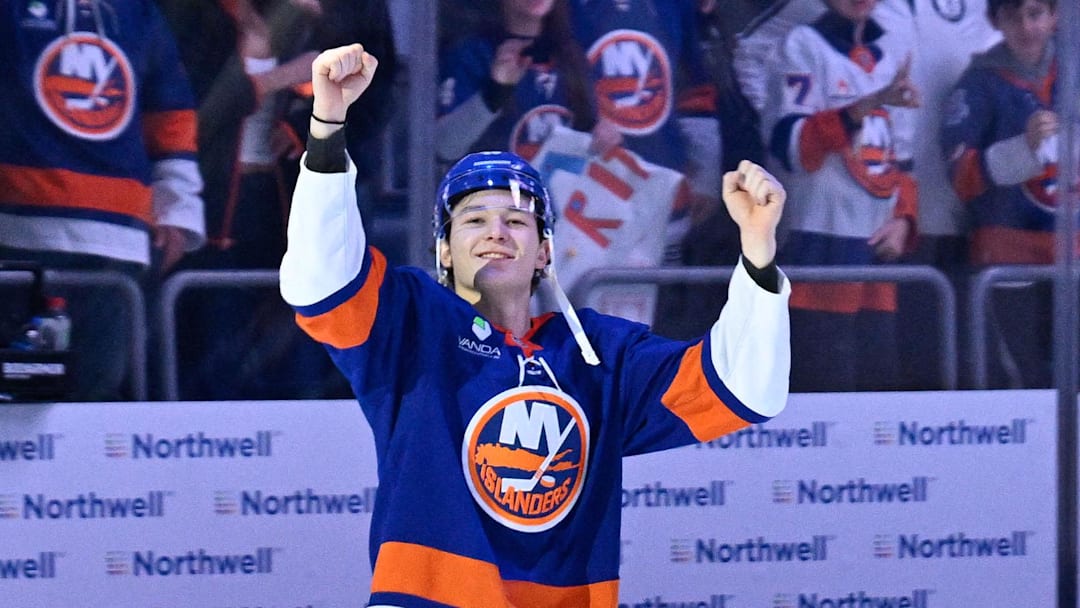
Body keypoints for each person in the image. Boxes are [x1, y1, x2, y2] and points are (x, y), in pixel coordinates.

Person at [279, 43, 791, 606]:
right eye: (474, 220)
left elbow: (743, 388)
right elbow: (320, 282)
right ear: (445, 251)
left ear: (544, 251)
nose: (495, 232)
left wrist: (758, 250)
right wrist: (327, 125)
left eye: (516, 221)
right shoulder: (410, 324)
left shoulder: (601, 355)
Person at [0, 0, 206, 400]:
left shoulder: (137, 12)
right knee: (16, 404)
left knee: (95, 399)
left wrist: (178, 209)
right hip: (18, 236)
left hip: (117, 243)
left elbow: (170, 111)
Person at [760, 0, 920, 391]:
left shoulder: (894, 49)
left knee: (879, 390)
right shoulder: (801, 46)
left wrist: (905, 219)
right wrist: (863, 107)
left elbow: (903, 160)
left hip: (879, 252)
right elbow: (792, 149)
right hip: (820, 243)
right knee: (825, 392)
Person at [939, 0, 1059, 387]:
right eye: (1013, 16)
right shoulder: (978, 83)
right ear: (995, 22)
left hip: (1073, 256)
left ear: (1054, 16)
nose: (1027, 26)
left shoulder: (1072, 75)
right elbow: (960, 176)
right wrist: (1023, 149)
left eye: (1036, 13)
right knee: (1027, 382)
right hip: (1007, 255)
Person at [435, 0, 616, 165]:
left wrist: (602, 137)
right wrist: (494, 93)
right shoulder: (473, 54)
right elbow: (444, 146)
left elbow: (586, 135)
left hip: (558, 198)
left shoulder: (572, 54)